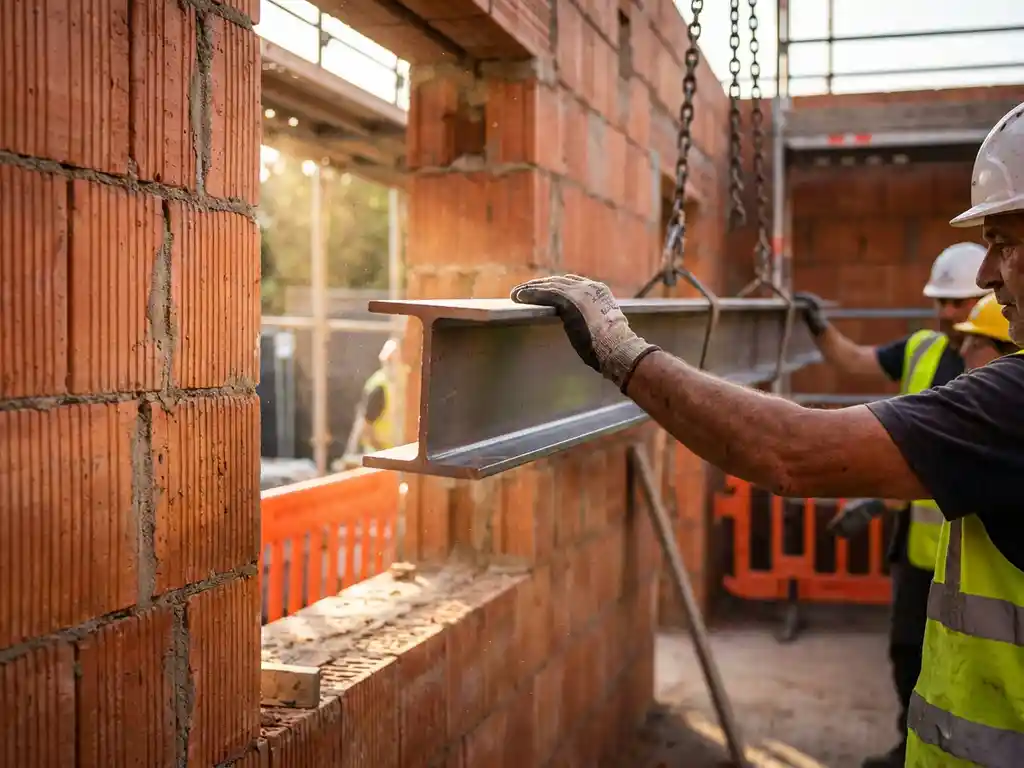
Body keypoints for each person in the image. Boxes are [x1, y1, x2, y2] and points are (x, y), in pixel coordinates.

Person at [510, 100, 1024, 768]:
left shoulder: (1013, 400)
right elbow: (856, 372)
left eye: (1005, 242)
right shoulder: (952, 366)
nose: (985, 277)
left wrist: (622, 351)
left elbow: (794, 451)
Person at [797, 243, 989, 768]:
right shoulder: (922, 348)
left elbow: (958, 461)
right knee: (908, 650)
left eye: (958, 302)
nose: (947, 313)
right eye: (940, 302)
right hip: (919, 548)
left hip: (975, 553)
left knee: (967, 659)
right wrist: (819, 327)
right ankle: (912, 746)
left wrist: (878, 502)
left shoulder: (1000, 366)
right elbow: (856, 362)